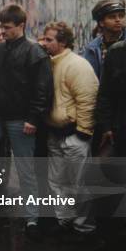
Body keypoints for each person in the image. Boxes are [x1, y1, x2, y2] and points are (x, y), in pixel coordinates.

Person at [0, 4, 53, 239]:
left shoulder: (34, 53)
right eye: (2, 27)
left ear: (21, 26)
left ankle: (32, 219)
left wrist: (33, 118)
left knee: (25, 170)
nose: (3, 31)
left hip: (22, 119)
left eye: (8, 27)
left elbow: (43, 89)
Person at [41, 22, 98, 234]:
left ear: (63, 42)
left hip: (74, 134)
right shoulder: (49, 63)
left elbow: (88, 99)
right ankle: (64, 221)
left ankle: (84, 228)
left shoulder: (77, 65)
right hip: (54, 133)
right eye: (44, 39)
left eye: (49, 40)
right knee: (57, 182)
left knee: (79, 184)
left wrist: (83, 132)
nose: (44, 43)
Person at [82, 0, 126, 79]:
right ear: (101, 23)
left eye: (121, 16)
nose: (118, 20)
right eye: (112, 17)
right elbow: (91, 78)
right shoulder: (92, 48)